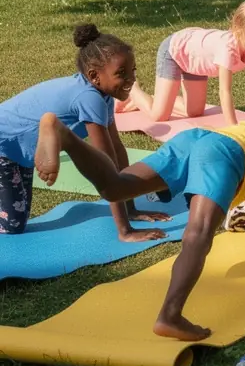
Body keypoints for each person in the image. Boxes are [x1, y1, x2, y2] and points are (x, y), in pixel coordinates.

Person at [34, 70, 245, 342]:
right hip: (222, 155)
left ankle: (65, 136)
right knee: (198, 236)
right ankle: (170, 315)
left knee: (116, 187)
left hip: (195, 141)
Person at [0, 24, 169, 239]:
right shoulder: (89, 99)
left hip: (17, 151)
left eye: (132, 71)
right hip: (4, 144)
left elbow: (117, 150)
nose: (132, 79)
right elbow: (106, 168)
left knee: (16, 214)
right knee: (11, 225)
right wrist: (125, 232)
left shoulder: (103, 96)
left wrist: (131, 208)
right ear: (94, 76)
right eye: (121, 73)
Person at [123, 0, 245, 125]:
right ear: (240, 30)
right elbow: (225, 91)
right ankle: (132, 88)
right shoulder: (227, 49)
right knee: (159, 116)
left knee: (195, 112)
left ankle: (161, 98)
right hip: (175, 52)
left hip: (195, 63)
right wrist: (234, 128)